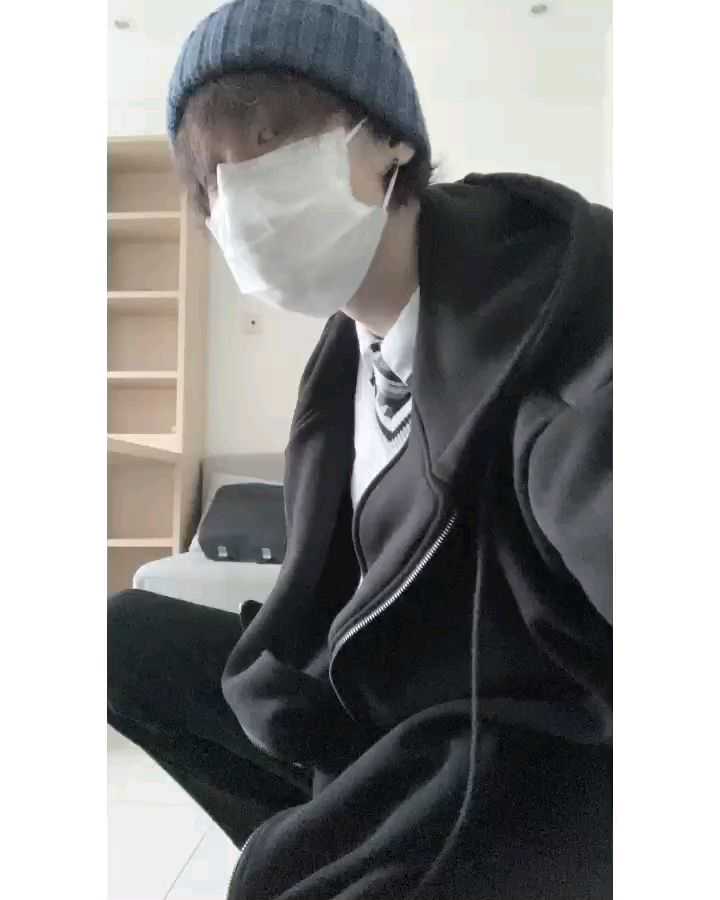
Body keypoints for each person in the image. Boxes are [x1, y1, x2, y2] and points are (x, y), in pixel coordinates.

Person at [107, 1, 612, 897]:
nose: (238, 199)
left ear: (390, 141)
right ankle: (326, 834)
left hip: (503, 745)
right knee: (121, 637)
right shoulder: (346, 361)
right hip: (367, 703)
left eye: (269, 141)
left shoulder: (558, 322)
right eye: (212, 180)